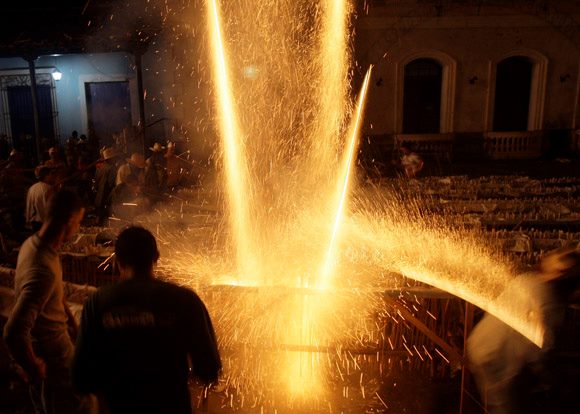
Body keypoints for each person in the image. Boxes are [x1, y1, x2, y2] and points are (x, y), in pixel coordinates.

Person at [72, 226, 221, 413]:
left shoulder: (98, 302)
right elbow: (209, 367)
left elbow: (81, 376)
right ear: (156, 257)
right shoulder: (185, 300)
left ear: (117, 261)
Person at [3, 190, 94, 414]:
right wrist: (33, 368)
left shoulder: (34, 245)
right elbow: (14, 330)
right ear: (70, 221)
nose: (78, 228)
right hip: (55, 363)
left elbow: (56, 295)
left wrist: (72, 324)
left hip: (59, 351)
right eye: (79, 222)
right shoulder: (42, 268)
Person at [467, 248, 580, 414]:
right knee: (508, 405)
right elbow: (539, 350)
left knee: (501, 403)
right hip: (499, 357)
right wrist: (553, 378)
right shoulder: (549, 302)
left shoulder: (525, 280)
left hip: (479, 343)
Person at [94, 147, 122, 225]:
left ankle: (98, 223)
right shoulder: (112, 168)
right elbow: (111, 183)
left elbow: (96, 179)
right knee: (105, 212)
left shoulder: (100, 167)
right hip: (106, 192)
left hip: (99, 192)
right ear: (111, 159)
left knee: (99, 210)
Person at [25, 166, 56, 232]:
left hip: (33, 222)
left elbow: (29, 206)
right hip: (44, 221)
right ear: (47, 175)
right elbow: (52, 207)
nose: (53, 176)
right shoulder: (48, 188)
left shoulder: (31, 188)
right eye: (51, 174)